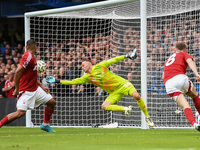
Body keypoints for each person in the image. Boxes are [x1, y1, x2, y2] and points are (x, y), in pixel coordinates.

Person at [46, 50, 154, 128]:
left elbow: (114, 60)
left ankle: (147, 116)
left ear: (89, 64)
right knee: (104, 106)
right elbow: (73, 82)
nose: (82, 67)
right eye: (81, 66)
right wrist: (57, 81)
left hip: (122, 84)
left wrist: (126, 56)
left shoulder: (100, 66)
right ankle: (125, 109)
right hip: (114, 92)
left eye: (83, 65)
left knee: (137, 96)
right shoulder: (87, 77)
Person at [0, 39, 56, 132]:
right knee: (20, 113)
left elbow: (33, 75)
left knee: (51, 102)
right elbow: (18, 71)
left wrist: (41, 86)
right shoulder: (28, 57)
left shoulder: (32, 58)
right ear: (35, 46)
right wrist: (17, 88)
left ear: (26, 47)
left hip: (35, 89)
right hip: (25, 91)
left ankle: (45, 125)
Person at [163, 42, 200, 131]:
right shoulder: (184, 54)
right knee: (194, 96)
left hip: (169, 84)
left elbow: (163, 76)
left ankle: (194, 124)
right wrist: (197, 74)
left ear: (174, 50)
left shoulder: (168, 60)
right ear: (186, 50)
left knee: (185, 106)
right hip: (180, 78)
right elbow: (190, 62)